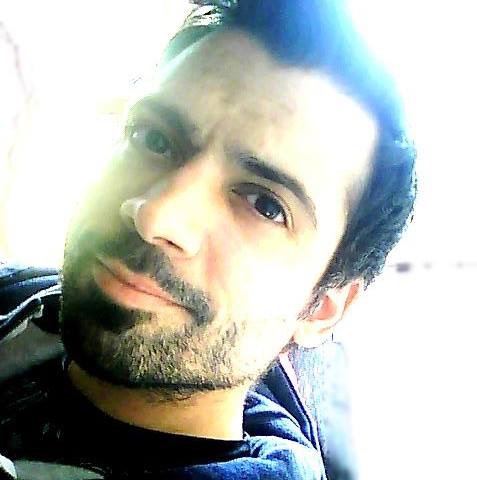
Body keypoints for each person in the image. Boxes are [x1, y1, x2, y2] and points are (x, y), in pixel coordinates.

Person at [0, 0, 416, 478]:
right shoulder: (21, 299)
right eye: (153, 139)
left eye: (265, 204)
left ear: (320, 309)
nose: (156, 215)